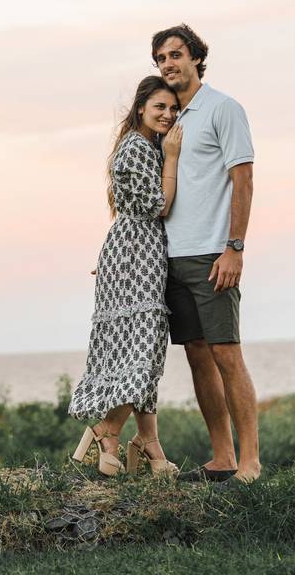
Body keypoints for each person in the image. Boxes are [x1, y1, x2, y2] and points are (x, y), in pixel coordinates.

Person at [152, 24, 261, 483]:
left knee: (226, 353)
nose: (168, 65)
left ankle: (251, 460)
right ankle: (222, 458)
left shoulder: (223, 108)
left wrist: (234, 248)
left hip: (213, 254)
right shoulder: (169, 118)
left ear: (197, 57)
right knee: (196, 354)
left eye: (175, 55)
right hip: (171, 257)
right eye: (160, 59)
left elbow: (244, 180)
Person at [68, 76, 182, 477]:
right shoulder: (138, 147)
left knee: (144, 347)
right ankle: (109, 428)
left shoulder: (143, 145)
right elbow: (158, 206)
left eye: (172, 108)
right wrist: (171, 157)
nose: (168, 115)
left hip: (139, 251)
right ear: (140, 110)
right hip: (134, 253)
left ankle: (145, 442)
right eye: (159, 108)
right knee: (142, 344)